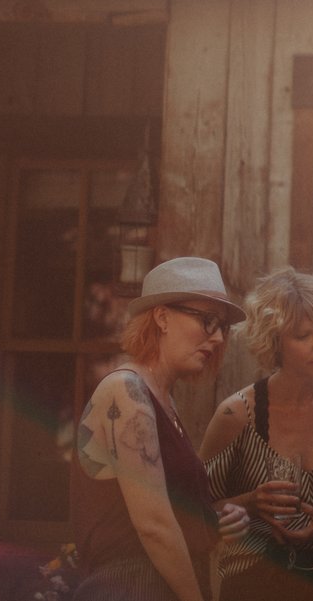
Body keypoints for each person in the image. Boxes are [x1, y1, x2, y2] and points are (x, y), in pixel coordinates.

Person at [70, 257, 251, 601]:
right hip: (129, 588)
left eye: (223, 327)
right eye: (207, 321)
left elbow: (159, 512)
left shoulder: (161, 400)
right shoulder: (127, 391)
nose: (216, 338)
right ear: (162, 317)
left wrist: (212, 521)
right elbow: (153, 527)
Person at [201, 268, 313, 601]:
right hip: (255, 581)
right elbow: (194, 511)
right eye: (303, 335)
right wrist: (248, 504)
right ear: (274, 340)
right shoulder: (236, 414)